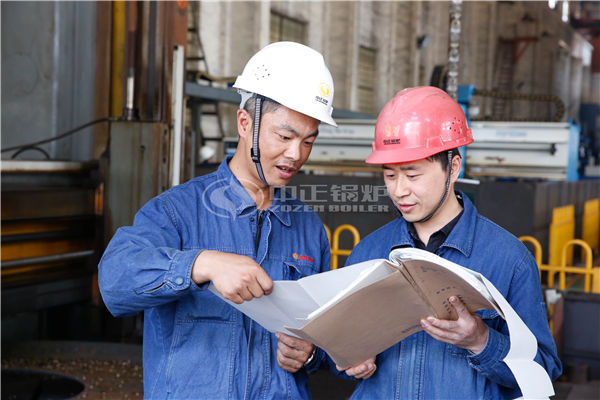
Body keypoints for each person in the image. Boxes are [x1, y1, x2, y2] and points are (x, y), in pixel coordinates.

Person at [98, 41, 368, 399]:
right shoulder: (179, 211)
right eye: (284, 136)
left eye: (308, 141)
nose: (296, 154)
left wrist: (312, 353)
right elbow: (114, 280)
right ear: (245, 123)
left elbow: (324, 338)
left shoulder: (307, 227)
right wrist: (200, 263)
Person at [343, 86, 562, 399]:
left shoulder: (509, 259)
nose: (399, 190)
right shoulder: (368, 252)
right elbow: (340, 348)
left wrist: (481, 341)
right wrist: (349, 359)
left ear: (453, 167)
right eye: (389, 175)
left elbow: (544, 369)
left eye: (412, 174)